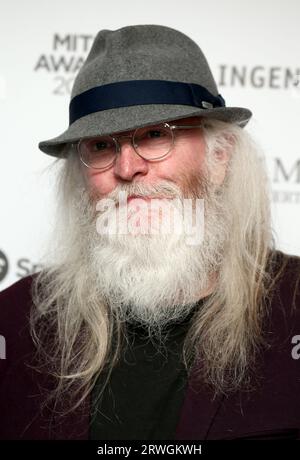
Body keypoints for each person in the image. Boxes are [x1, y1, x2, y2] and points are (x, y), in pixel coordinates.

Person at [0, 24, 300, 441]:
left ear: (219, 158)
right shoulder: (14, 322)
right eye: (102, 146)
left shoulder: (294, 304)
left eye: (157, 134)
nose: (127, 169)